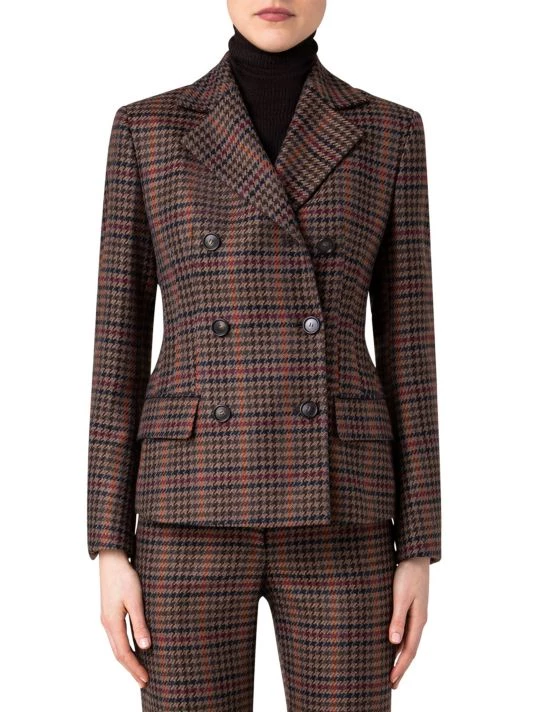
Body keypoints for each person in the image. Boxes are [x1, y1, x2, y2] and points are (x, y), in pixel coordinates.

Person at [87, 1, 442, 710]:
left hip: (343, 506)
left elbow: (411, 348)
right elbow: (116, 347)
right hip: (188, 504)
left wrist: (419, 544)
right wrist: (109, 544)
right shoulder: (148, 129)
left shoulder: (389, 130)